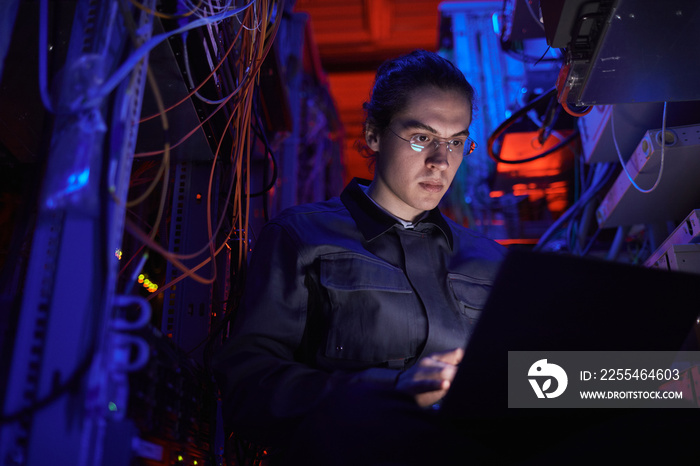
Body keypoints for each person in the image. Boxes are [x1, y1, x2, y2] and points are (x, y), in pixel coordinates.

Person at [212, 49, 507, 464]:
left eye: (456, 142)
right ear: (373, 135)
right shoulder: (302, 236)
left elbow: (531, 384)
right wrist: (393, 389)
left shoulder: (491, 263)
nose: (441, 162)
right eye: (422, 138)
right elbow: (249, 388)